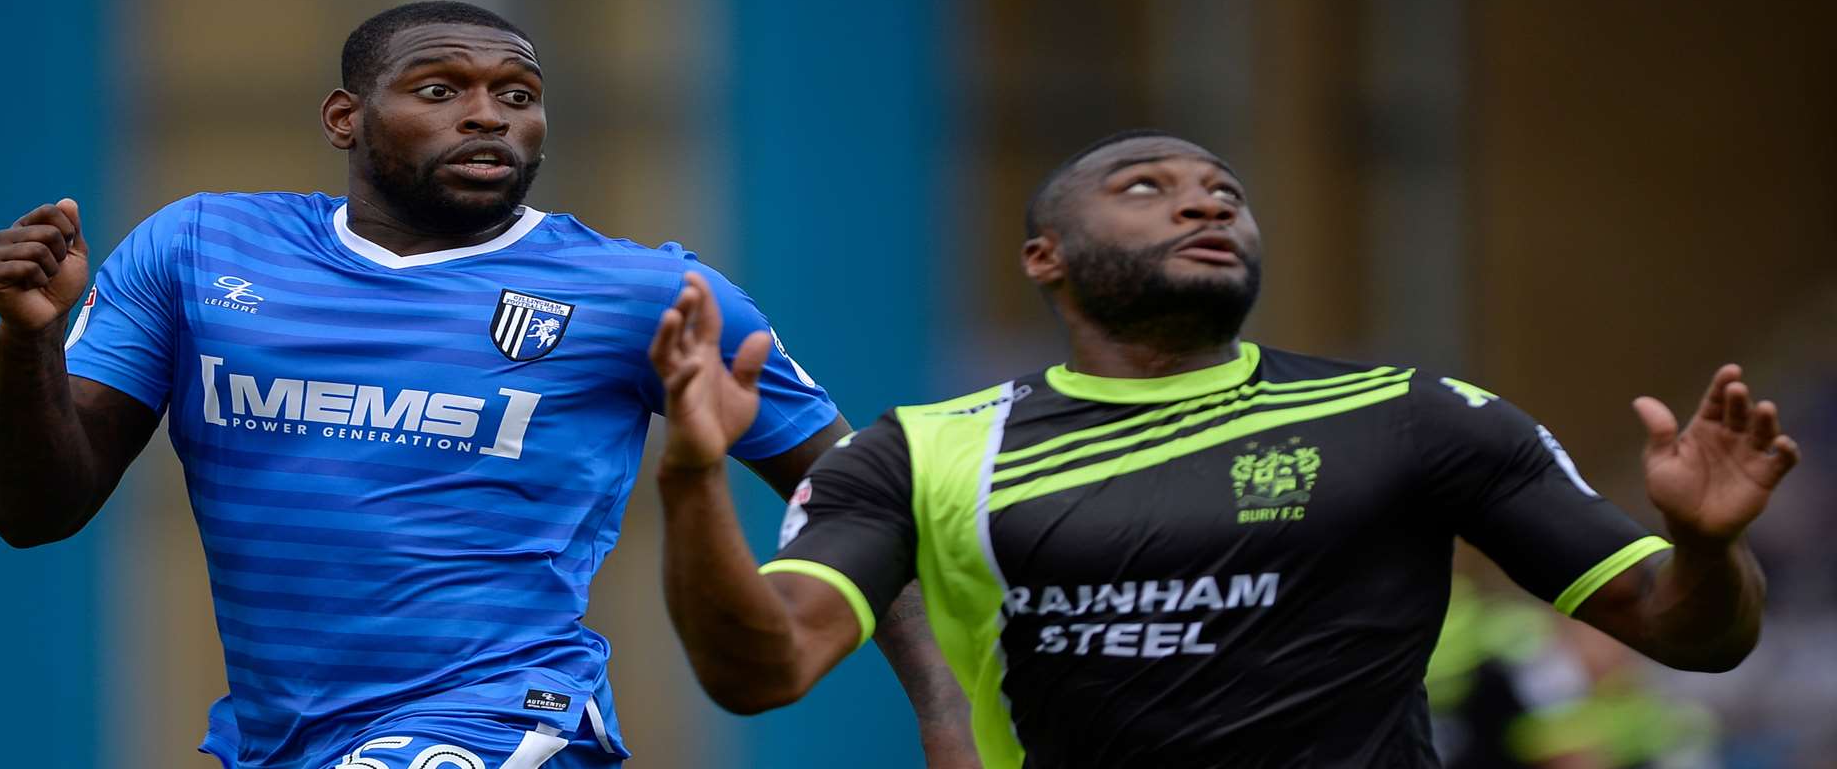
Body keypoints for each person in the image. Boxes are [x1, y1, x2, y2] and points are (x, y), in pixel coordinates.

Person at [0, 1, 973, 769]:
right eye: (441, 90)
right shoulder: (198, 248)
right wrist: (31, 342)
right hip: (278, 734)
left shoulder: (649, 294)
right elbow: (35, 512)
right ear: (344, 117)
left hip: (505, 714)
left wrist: (946, 713)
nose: (489, 116)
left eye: (519, 95)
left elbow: (861, 501)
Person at [648, 129, 1801, 767]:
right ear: (1044, 257)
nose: (1206, 208)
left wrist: (1704, 545)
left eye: (1226, 194)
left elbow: (1687, 634)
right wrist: (696, 478)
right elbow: (760, 673)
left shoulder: (1413, 415)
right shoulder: (923, 452)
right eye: (1147, 189)